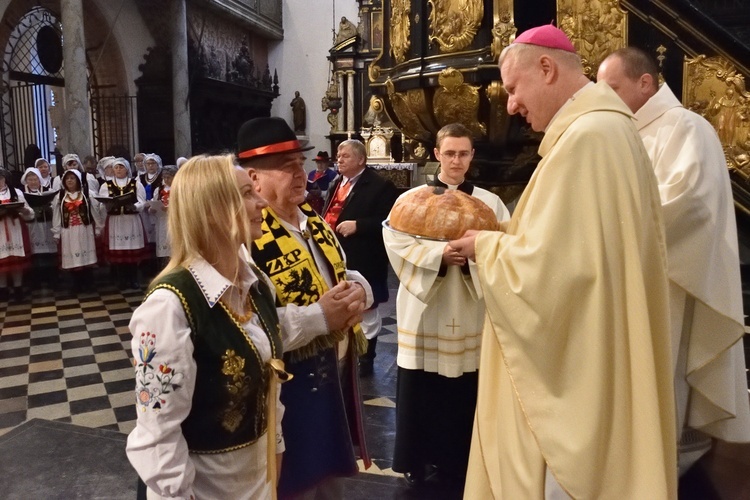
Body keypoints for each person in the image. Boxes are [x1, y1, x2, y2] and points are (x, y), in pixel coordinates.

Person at [450, 25, 677, 498]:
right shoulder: (604, 129)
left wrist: (486, 248)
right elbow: (575, 246)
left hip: (579, 368)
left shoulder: (589, 138)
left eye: (513, 89)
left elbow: (557, 272)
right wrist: (510, 237)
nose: (510, 104)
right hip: (598, 340)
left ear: (547, 68)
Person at [597, 47, 750, 473]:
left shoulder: (686, 127)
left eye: (612, 88)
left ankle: (664, 467)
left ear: (645, 83)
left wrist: (608, 228)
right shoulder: (627, 132)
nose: (604, 99)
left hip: (671, 281)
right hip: (629, 277)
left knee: (664, 379)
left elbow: (689, 206)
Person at [126, 154, 290, 499]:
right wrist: (177, 491)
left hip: (255, 481)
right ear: (214, 209)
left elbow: (267, 378)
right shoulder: (170, 306)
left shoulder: (256, 283)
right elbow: (158, 430)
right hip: (202, 490)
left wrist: (274, 447)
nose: (262, 201)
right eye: (247, 193)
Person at [237, 116, 372, 499]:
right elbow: (246, 324)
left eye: (300, 163)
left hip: (332, 372)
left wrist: (359, 291)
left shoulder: (313, 220)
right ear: (254, 178)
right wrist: (320, 318)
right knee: (293, 484)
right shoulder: (248, 236)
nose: (300, 174)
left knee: (329, 480)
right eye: (286, 167)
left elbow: (342, 269)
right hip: (285, 388)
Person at [382, 123, 510, 485]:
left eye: (463, 153)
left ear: (472, 156)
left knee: (464, 386)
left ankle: (461, 458)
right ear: (437, 154)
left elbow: (506, 246)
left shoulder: (491, 203)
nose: (456, 160)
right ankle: (416, 458)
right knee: (421, 383)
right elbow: (395, 242)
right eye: (450, 153)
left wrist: (472, 256)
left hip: (470, 306)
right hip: (426, 305)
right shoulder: (410, 200)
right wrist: (441, 256)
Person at [323, 139, 398, 376]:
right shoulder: (337, 181)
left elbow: (390, 222)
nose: (339, 159)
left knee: (366, 308)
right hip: (337, 254)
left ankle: (366, 360)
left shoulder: (381, 185)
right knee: (343, 305)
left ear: (361, 159)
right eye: (338, 155)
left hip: (365, 257)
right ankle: (345, 353)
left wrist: (359, 225)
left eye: (345, 156)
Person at [99, 157, 148, 290]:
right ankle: (121, 280)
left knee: (131, 250)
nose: (119, 169)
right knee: (119, 251)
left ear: (127, 169)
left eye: (121, 167)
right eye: (116, 167)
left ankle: (133, 279)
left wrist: (135, 206)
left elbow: (142, 201)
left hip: (131, 220)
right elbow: (101, 204)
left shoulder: (135, 183)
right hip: (116, 221)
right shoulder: (106, 185)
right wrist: (107, 206)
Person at [51, 169, 99, 290]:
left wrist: (98, 227)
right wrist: (56, 232)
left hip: (84, 229)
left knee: (85, 252)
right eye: (67, 178)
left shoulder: (88, 193)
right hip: (68, 230)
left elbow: (95, 211)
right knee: (72, 254)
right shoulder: (60, 196)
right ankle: (76, 283)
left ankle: (89, 282)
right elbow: (57, 215)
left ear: (78, 180)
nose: (70, 181)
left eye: (72, 178)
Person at [21, 166, 58, 290]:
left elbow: (55, 205)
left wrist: (50, 207)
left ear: (39, 179)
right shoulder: (22, 193)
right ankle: (36, 279)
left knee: (49, 251)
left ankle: (52, 278)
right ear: (26, 181)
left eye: (35, 179)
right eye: (30, 179)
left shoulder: (48, 190)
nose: (33, 182)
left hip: (47, 224)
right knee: (35, 253)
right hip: (32, 225)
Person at [0, 167, 33, 301]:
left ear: (5, 179)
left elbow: (29, 211)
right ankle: (2, 289)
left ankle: (18, 287)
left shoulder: (16, 192)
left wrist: (24, 211)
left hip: (15, 229)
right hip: (0, 230)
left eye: (0, 178)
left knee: (16, 258)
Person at [149, 164, 178, 269]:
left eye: (169, 177)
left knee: (174, 247)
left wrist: (171, 209)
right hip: (162, 222)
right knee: (163, 247)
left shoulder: (179, 188)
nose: (166, 179)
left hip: (175, 222)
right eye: (164, 177)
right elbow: (155, 201)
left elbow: (185, 204)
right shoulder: (159, 189)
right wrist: (152, 208)